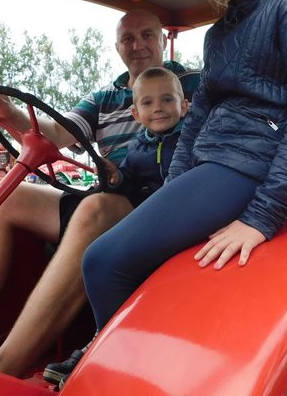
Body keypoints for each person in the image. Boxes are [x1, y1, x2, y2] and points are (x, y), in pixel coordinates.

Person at [81, 0, 287, 342]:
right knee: (136, 259)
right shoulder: (218, 35)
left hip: (254, 166)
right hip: (217, 165)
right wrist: (172, 192)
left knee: (103, 262)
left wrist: (261, 217)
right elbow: (198, 120)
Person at [0, 9, 197, 377]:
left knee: (95, 209)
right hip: (110, 191)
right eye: (127, 38)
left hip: (154, 202)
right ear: (118, 46)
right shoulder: (106, 97)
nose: (138, 45)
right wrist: (8, 114)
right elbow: (57, 132)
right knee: (7, 198)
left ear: (161, 39)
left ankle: (1, 371)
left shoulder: (190, 84)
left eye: (147, 35)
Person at [43, 66, 187, 385]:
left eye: (167, 99)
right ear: (136, 113)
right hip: (147, 219)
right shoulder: (138, 148)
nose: (159, 107)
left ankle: (113, 346)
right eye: (148, 103)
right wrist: (117, 176)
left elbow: (186, 183)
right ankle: (101, 339)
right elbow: (130, 182)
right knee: (103, 259)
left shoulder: (190, 140)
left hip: (179, 221)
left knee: (111, 260)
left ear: (184, 105)